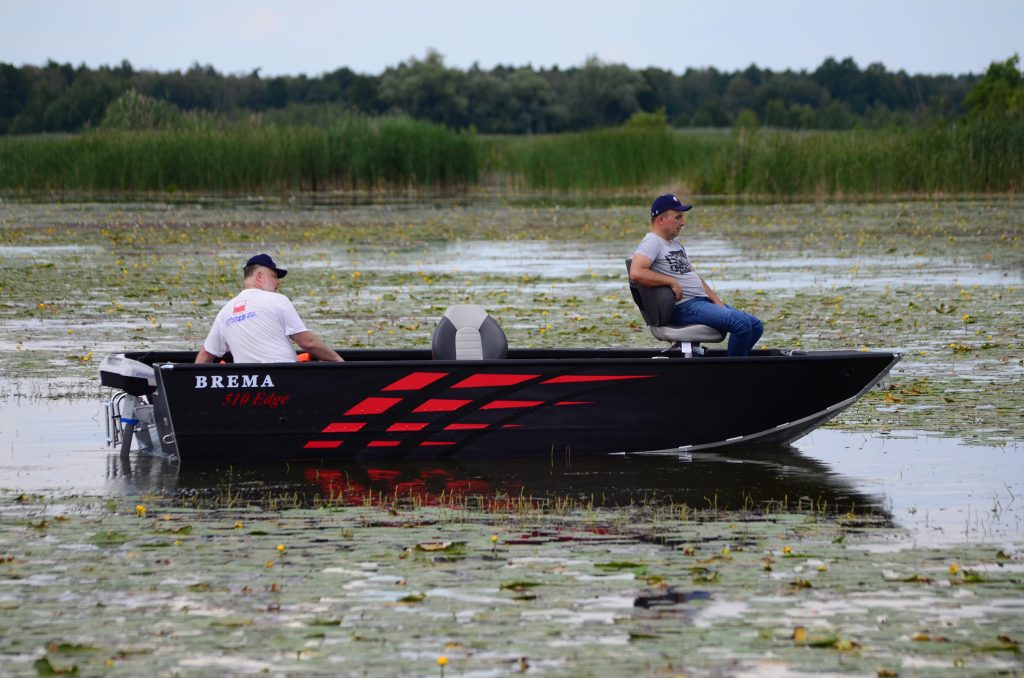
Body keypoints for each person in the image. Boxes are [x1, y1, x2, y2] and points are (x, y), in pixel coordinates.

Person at [629, 195, 763, 356]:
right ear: (661, 219)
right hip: (683, 307)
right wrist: (671, 282)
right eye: (678, 217)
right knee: (741, 324)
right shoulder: (652, 241)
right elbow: (636, 272)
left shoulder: (675, 243)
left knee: (755, 326)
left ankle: (736, 363)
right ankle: (733, 370)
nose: (683, 222)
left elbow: (693, 275)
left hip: (700, 302)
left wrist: (716, 300)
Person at [195, 253, 343, 363]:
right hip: (285, 381)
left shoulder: (225, 311)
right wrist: (340, 362)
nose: (278, 282)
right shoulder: (278, 300)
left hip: (248, 386)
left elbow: (206, 355)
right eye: (274, 276)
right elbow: (308, 343)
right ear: (260, 276)